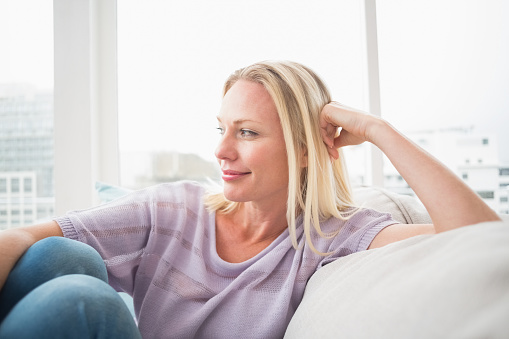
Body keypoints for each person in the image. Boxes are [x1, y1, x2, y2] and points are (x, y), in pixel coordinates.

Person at [0, 60, 500, 338]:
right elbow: (23, 235)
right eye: (221, 128)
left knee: (84, 303)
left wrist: (377, 130)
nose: (221, 150)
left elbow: (480, 238)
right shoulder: (175, 210)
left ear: (304, 148)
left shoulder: (334, 237)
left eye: (247, 132)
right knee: (60, 255)